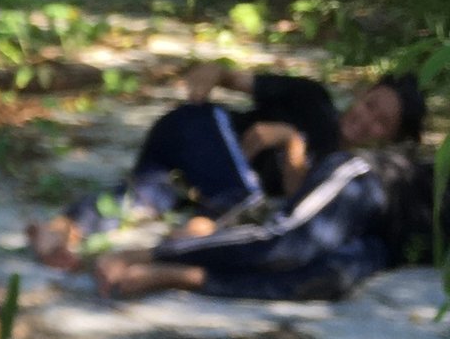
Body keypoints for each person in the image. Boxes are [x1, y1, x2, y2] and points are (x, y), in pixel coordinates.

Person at [30, 64, 424, 268]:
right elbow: (230, 77)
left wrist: (290, 141)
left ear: (389, 139)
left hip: (200, 179)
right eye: (370, 104)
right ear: (362, 93)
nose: (366, 119)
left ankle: (60, 230)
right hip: (198, 128)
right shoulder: (312, 98)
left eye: (382, 122)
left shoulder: (345, 172)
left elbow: (296, 202)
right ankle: (169, 253)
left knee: (147, 197)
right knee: (244, 200)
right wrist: (209, 74)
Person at [92, 144, 419, 304]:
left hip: (392, 242)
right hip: (375, 185)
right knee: (290, 245)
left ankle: (185, 275)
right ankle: (148, 254)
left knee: (326, 280)